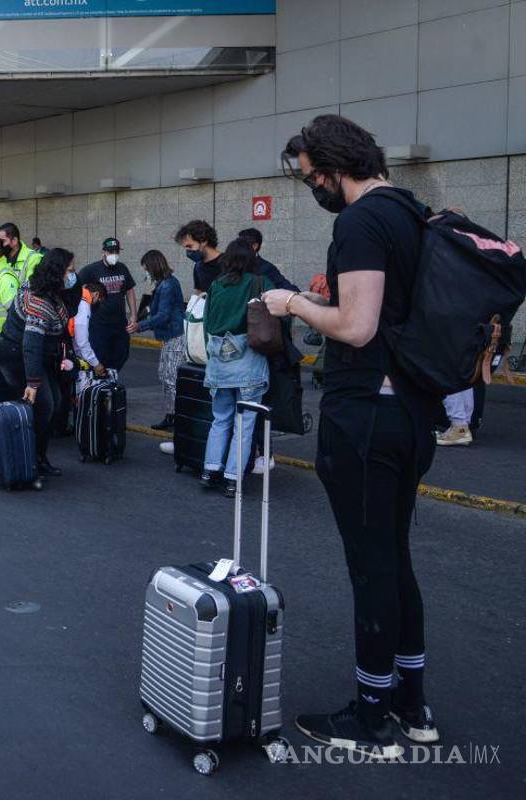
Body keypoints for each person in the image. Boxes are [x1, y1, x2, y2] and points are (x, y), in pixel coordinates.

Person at [264, 114, 440, 759]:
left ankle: (370, 718)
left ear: (337, 167)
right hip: (410, 412)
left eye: (313, 178)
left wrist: (294, 304)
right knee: (394, 558)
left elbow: (358, 326)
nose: (314, 189)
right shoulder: (411, 212)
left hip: (365, 413)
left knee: (370, 567)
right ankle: (411, 702)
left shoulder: (361, 220)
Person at [0, 248, 76, 479]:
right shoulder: (39, 302)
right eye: (70, 270)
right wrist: (32, 383)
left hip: (31, 355)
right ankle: (30, 460)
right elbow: (30, 344)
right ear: (57, 272)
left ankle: (38, 457)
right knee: (44, 405)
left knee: (55, 402)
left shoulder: (46, 289)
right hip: (17, 356)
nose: (73, 274)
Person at [199, 239, 272, 498]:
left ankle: (210, 470)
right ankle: (232, 477)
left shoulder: (216, 285)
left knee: (220, 419)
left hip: (219, 362)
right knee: (245, 423)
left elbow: (207, 323)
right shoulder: (258, 283)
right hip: (248, 364)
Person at [129, 250, 185, 430]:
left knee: (171, 379)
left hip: (174, 336)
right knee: (166, 376)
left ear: (153, 267)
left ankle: (175, 417)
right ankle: (172, 414)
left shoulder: (167, 286)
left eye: (146, 269)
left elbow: (163, 315)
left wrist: (140, 326)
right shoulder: (164, 283)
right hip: (170, 336)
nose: (146, 273)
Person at [77, 237, 139, 380]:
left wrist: (134, 315)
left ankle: (111, 379)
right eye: (110, 251)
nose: (114, 254)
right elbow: (76, 287)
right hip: (99, 324)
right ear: (103, 252)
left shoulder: (122, 268)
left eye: (116, 251)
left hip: (119, 323)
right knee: (100, 356)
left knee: (121, 354)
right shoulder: (92, 270)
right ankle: (99, 384)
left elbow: (130, 290)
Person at [70, 280, 108, 380]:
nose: (98, 304)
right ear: (96, 294)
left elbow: (75, 339)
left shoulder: (76, 297)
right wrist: (96, 363)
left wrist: (80, 357)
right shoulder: (84, 305)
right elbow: (82, 341)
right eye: (100, 300)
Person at [174, 220, 223, 293]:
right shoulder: (198, 266)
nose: (188, 251)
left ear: (203, 241)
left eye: (190, 246)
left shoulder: (228, 262)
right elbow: (198, 292)